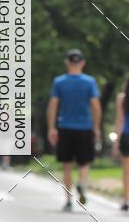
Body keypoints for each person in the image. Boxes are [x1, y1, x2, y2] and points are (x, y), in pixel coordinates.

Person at [47, 48, 101, 211]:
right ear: (82, 63)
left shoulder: (59, 82)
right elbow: (96, 107)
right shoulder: (90, 82)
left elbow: (53, 107)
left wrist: (51, 128)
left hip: (65, 127)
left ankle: (68, 200)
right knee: (84, 162)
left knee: (67, 165)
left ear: (67, 63)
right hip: (85, 127)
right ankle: (82, 183)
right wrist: (96, 127)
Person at [112, 75, 129, 211]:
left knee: (126, 172)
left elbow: (119, 121)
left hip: (126, 136)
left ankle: (125, 200)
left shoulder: (122, 98)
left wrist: (116, 142)